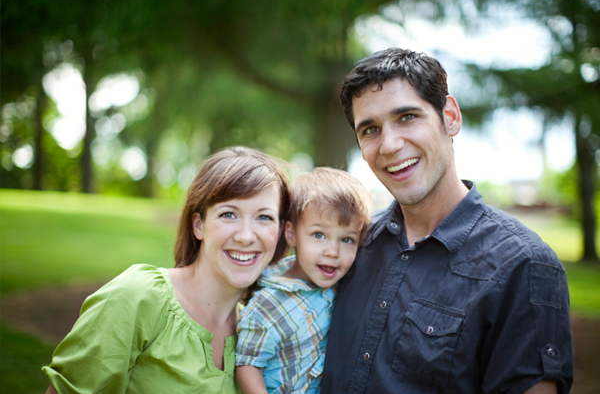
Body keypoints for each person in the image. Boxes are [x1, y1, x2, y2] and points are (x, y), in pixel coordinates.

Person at [321, 48, 574, 394]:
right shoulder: (350, 245)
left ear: (450, 117)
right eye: (370, 130)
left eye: (407, 117)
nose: (390, 145)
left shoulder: (524, 265)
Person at [42, 146, 291, 394]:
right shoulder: (139, 296)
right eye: (228, 214)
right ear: (198, 225)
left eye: (264, 217)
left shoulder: (257, 330)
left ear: (281, 231)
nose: (246, 236)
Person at [235, 167, 373, 393]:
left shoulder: (340, 286)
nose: (333, 252)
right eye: (319, 235)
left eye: (347, 239)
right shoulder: (268, 303)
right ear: (291, 234)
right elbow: (247, 364)